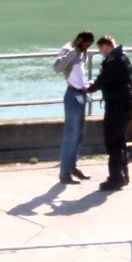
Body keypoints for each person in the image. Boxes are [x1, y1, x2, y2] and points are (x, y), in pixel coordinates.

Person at [86, 36, 132, 191]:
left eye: (101, 49)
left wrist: (86, 87)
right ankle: (123, 175)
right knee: (120, 140)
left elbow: (103, 80)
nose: (101, 53)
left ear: (107, 46)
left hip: (117, 104)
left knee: (113, 141)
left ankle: (115, 178)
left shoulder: (114, 61)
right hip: (126, 102)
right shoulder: (123, 58)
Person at [52, 31, 94, 185]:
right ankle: (64, 173)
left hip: (81, 94)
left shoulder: (82, 53)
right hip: (72, 97)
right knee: (71, 136)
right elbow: (57, 67)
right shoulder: (69, 50)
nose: (86, 48)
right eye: (86, 44)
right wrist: (74, 52)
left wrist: (87, 84)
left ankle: (72, 167)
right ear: (80, 40)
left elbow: (78, 75)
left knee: (79, 135)